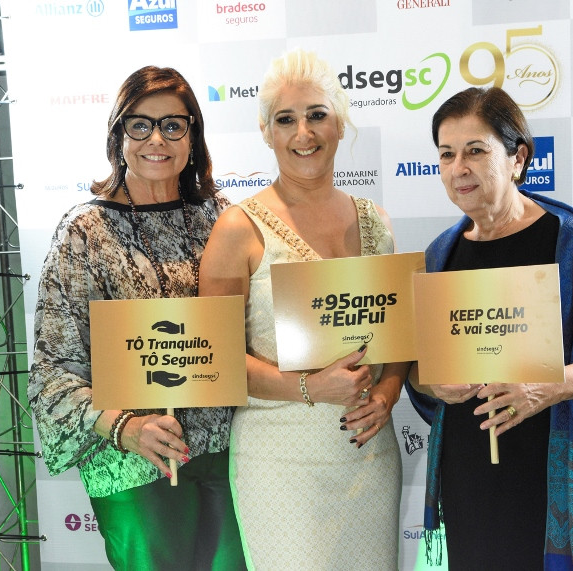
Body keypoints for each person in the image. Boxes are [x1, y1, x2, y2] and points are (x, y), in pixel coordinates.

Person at [405, 87, 573, 570]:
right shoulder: (441, 254)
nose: (458, 168)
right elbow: (417, 371)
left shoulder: (571, 239)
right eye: (446, 154)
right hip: (468, 471)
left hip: (553, 465)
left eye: (475, 151)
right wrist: (433, 381)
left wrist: (545, 387)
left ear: (518, 158)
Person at [27, 66, 245, 570]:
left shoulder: (222, 219)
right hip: (131, 464)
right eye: (140, 125)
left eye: (173, 125)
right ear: (118, 134)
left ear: (193, 135)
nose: (157, 139)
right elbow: (51, 374)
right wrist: (126, 426)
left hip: (229, 455)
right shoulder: (84, 232)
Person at [199, 49, 406, 570]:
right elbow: (214, 361)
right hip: (279, 461)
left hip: (369, 455)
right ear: (265, 132)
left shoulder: (377, 222)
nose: (303, 133)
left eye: (316, 115)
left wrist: (387, 393)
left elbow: (399, 334)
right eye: (285, 120)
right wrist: (310, 387)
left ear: (340, 124)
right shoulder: (237, 228)